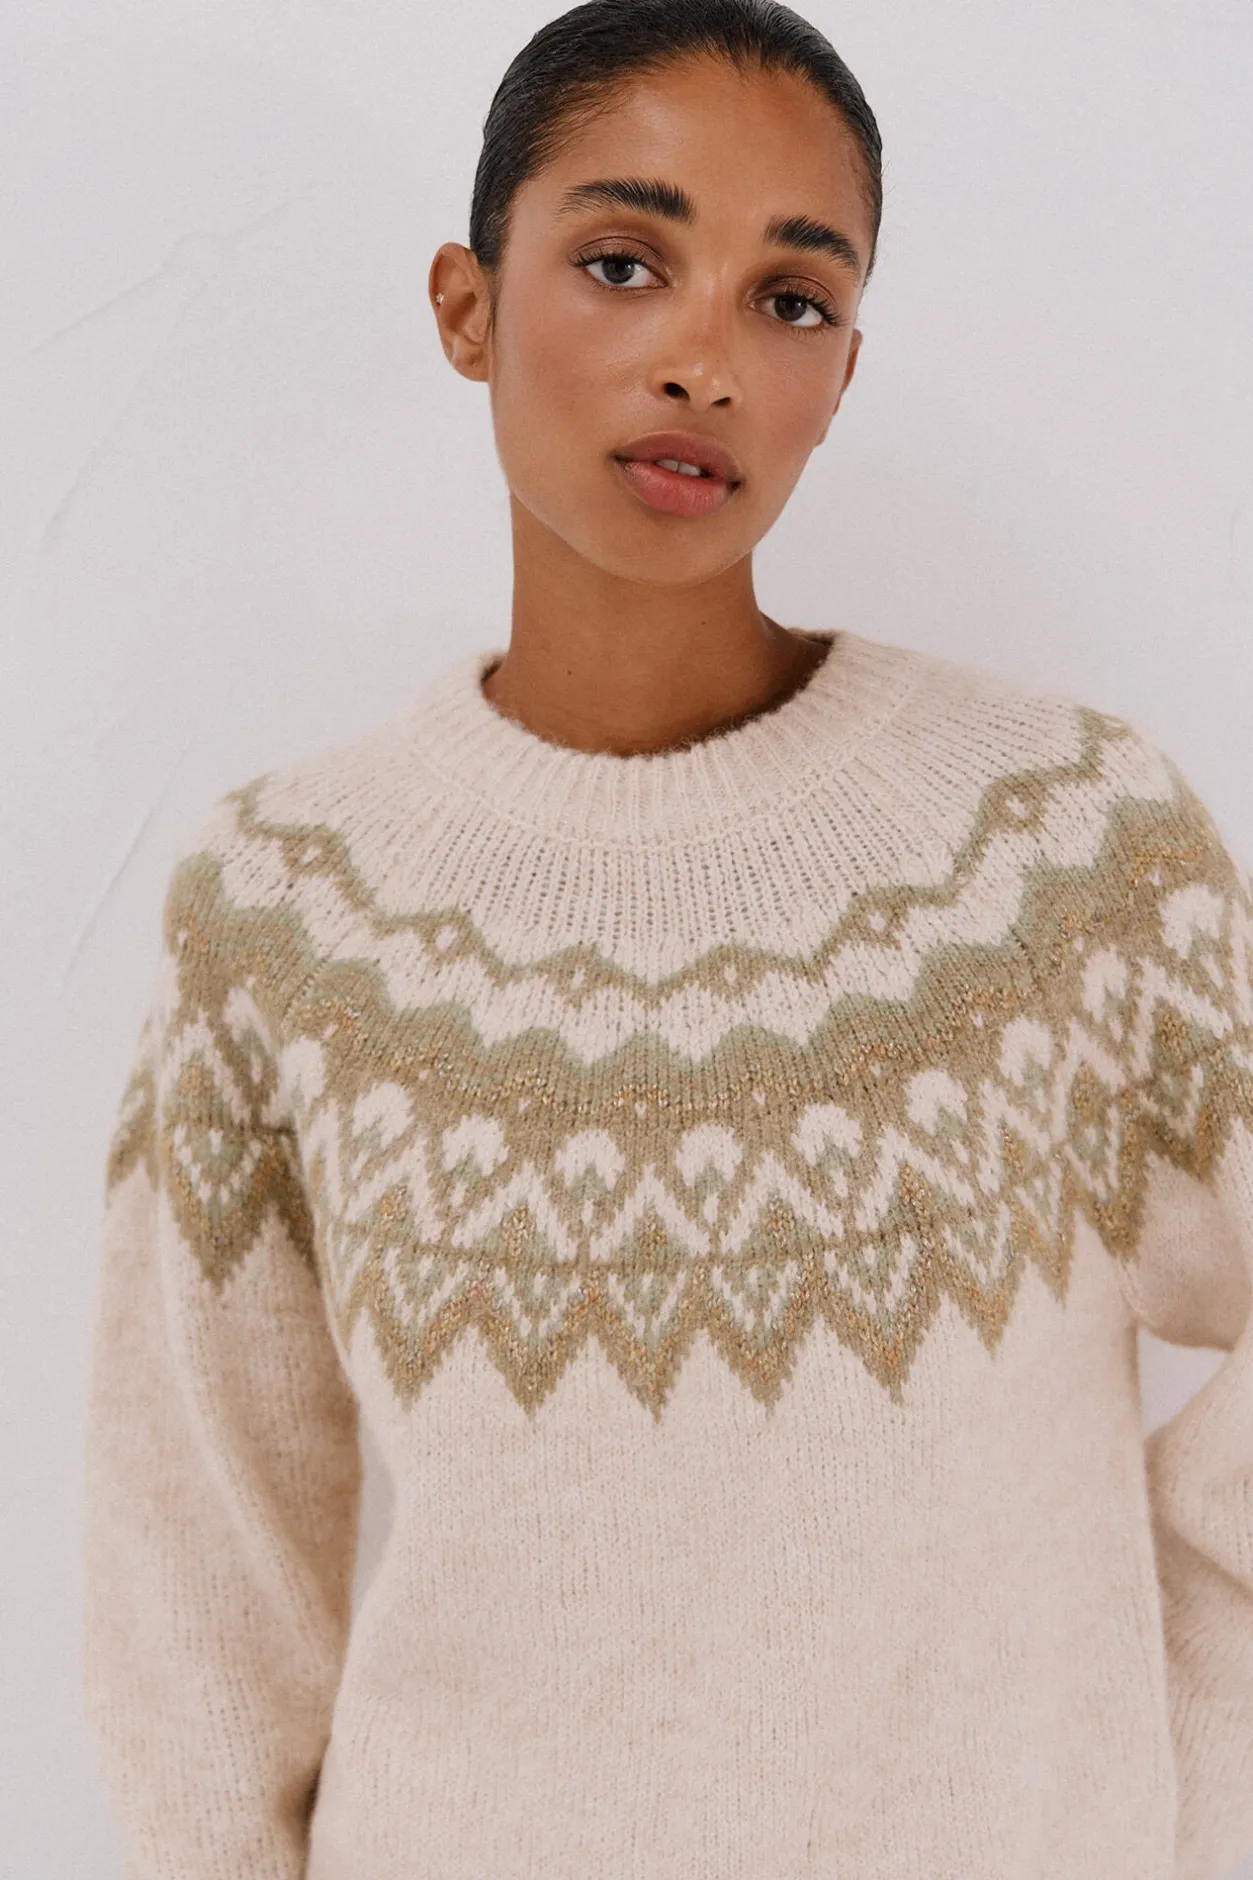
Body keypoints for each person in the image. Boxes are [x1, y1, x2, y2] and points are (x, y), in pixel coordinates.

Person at [81, 3, 1253, 1877]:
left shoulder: (1064, 845)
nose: (705, 360)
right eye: (625, 263)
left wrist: (1168, 1744)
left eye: (791, 299)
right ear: (468, 305)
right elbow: (198, 1604)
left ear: (843, 371)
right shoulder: (288, 910)